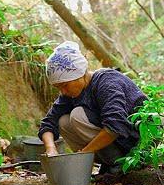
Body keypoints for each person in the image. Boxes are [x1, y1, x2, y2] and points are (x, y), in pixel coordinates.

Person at [38, 41, 147, 177]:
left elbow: (115, 125)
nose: (63, 92)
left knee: (77, 116)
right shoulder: (70, 94)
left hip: (136, 140)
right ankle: (108, 163)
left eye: (65, 85)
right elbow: (49, 122)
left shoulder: (107, 83)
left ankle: (120, 164)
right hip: (116, 142)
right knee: (63, 121)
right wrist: (51, 149)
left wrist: (83, 154)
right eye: (58, 88)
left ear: (81, 73)